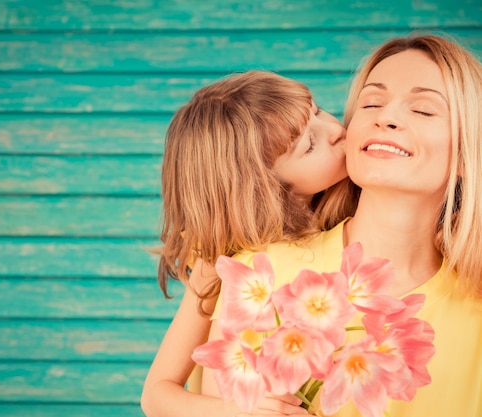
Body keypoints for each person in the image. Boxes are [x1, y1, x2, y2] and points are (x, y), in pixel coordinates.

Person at [202, 34, 482, 417]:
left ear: (469, 153)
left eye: (423, 110)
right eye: (371, 102)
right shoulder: (257, 275)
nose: (385, 117)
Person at [141, 70, 357, 417]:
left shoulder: (358, 215)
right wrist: (235, 410)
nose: (336, 130)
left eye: (317, 110)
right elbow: (156, 395)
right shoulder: (224, 261)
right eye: (309, 146)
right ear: (266, 189)